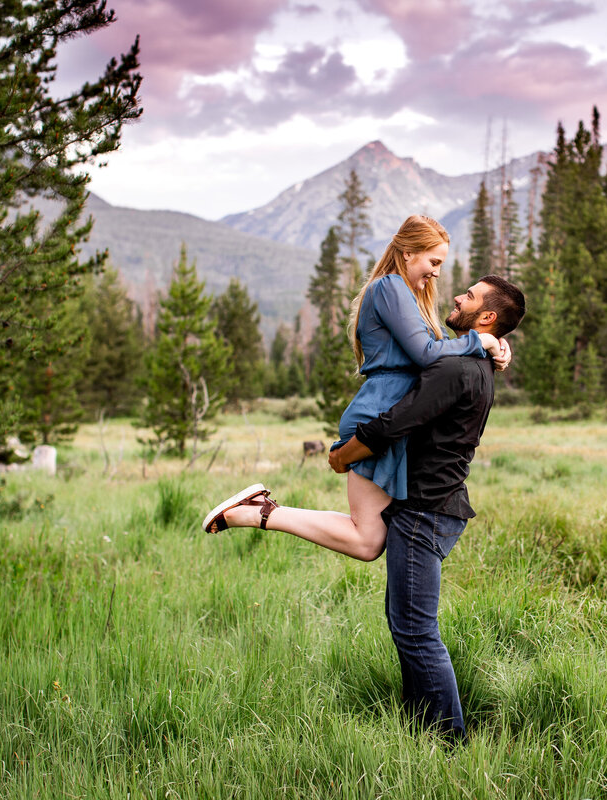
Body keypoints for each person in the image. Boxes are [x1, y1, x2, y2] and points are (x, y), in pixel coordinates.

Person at [200, 215, 509, 560]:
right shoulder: (390, 287)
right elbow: (426, 354)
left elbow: (440, 356)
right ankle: (257, 513)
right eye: (433, 261)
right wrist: (481, 341)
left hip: (393, 415)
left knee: (370, 539)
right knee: (366, 541)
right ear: (408, 252)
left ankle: (259, 511)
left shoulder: (408, 296)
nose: (437, 271)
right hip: (380, 416)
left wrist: (493, 344)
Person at [328, 274, 525, 742]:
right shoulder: (473, 364)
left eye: (470, 296)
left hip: (425, 512)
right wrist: (494, 348)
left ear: (487, 317)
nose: (457, 296)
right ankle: (423, 729)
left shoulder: (456, 369)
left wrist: (343, 455)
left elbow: (399, 421)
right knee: (407, 626)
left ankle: (449, 743)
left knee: (416, 630)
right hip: (432, 509)